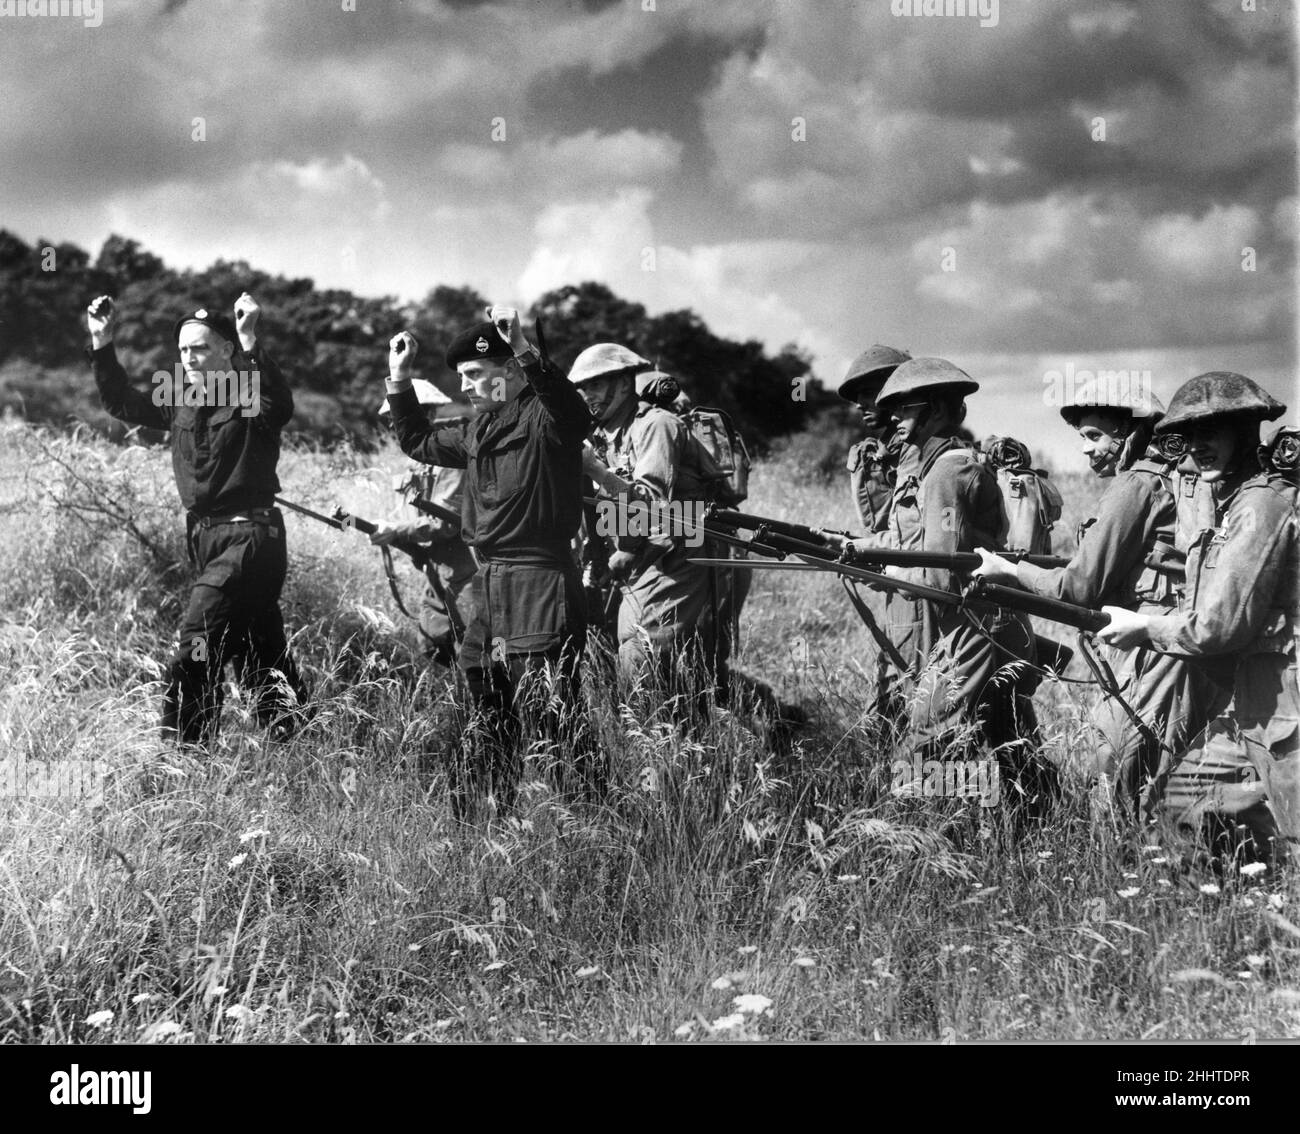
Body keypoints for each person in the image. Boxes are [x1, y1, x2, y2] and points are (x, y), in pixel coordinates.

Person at [972, 386, 1226, 819]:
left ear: (1129, 433)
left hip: (1150, 644)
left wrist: (1010, 571)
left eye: (1094, 436)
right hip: (1179, 636)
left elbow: (1080, 588)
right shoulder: (1178, 478)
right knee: (1168, 765)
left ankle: (1117, 865)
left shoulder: (1137, 484)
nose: (1086, 450)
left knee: (1114, 768)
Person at [383, 307, 595, 815]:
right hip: (491, 582)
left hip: (540, 579)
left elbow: (575, 413)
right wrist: (399, 377)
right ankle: (484, 817)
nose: (467, 385)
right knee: (484, 695)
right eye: (462, 377)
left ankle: (597, 816)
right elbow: (417, 440)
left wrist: (524, 345)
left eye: (476, 374)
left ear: (511, 371)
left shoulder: (546, 417)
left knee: (550, 712)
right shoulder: (479, 429)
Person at [85, 293, 309, 747]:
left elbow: (277, 405)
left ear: (225, 350)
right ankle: (297, 741)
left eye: (201, 348)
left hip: (249, 538)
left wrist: (249, 340)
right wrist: (102, 341)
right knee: (256, 648)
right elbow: (121, 403)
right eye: (184, 350)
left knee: (196, 646)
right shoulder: (180, 400)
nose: (189, 357)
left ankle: (185, 754)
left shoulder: (248, 394)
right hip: (206, 540)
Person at [1098, 372, 1296, 867]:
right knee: (1181, 800)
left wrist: (1145, 627)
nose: (1196, 446)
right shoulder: (1235, 504)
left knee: (1293, 832)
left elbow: (1220, 625)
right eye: (1187, 435)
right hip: (1253, 702)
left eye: (1211, 432)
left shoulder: (1260, 507)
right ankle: (1229, 903)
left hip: (1284, 704)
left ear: (1246, 433)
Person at [847, 357, 1055, 812]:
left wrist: (883, 570)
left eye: (905, 409)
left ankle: (940, 833)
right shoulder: (935, 465)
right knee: (1008, 735)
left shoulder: (946, 470)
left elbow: (939, 574)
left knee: (928, 746)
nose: (896, 420)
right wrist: (859, 547)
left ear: (936, 410)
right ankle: (1033, 814)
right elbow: (914, 542)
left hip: (972, 626)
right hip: (981, 620)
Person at [571, 344, 730, 701]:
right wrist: (604, 556)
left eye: (595, 384)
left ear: (625, 384)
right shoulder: (604, 437)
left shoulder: (657, 425)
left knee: (639, 654)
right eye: (582, 388)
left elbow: (650, 501)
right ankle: (768, 715)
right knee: (655, 659)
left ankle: (655, 747)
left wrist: (595, 469)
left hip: (681, 552)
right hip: (639, 556)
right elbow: (610, 506)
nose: (587, 395)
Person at [374, 379, 476, 667]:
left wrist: (396, 531)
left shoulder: (450, 455)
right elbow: (409, 517)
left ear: (427, 414)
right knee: (432, 643)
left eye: (398, 417)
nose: (394, 426)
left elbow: (445, 522)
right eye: (390, 420)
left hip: (467, 571)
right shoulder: (415, 462)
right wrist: (385, 529)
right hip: (435, 571)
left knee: (474, 654)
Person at [839, 345, 911, 533]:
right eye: (857, 396)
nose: (859, 405)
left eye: (868, 393)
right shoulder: (882, 448)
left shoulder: (921, 449)